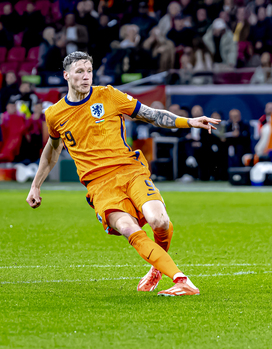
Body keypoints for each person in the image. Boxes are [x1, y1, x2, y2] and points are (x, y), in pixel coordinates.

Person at [26, 51, 220, 297]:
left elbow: (151, 115)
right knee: (128, 227)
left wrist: (188, 122)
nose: (86, 77)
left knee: (159, 221)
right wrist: (35, 185)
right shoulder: (55, 114)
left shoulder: (108, 95)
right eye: (79, 72)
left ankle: (157, 267)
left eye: (89, 71)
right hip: (99, 186)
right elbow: (52, 150)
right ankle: (182, 280)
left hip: (129, 171)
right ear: (66, 76)